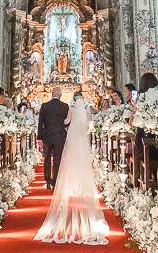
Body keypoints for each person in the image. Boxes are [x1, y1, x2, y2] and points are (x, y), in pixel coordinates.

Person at [35, 97, 110, 245]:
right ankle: (79, 185)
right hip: (81, 139)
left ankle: (63, 183)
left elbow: (66, 123)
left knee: (64, 160)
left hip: (70, 137)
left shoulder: (70, 110)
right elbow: (89, 126)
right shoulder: (86, 112)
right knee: (80, 161)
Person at [38, 87, 70, 190]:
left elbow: (40, 123)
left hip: (46, 135)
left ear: (51, 94)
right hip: (60, 136)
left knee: (47, 157)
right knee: (57, 158)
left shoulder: (44, 106)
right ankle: (55, 181)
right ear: (60, 95)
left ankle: (47, 179)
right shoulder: (64, 106)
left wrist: (39, 137)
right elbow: (67, 122)